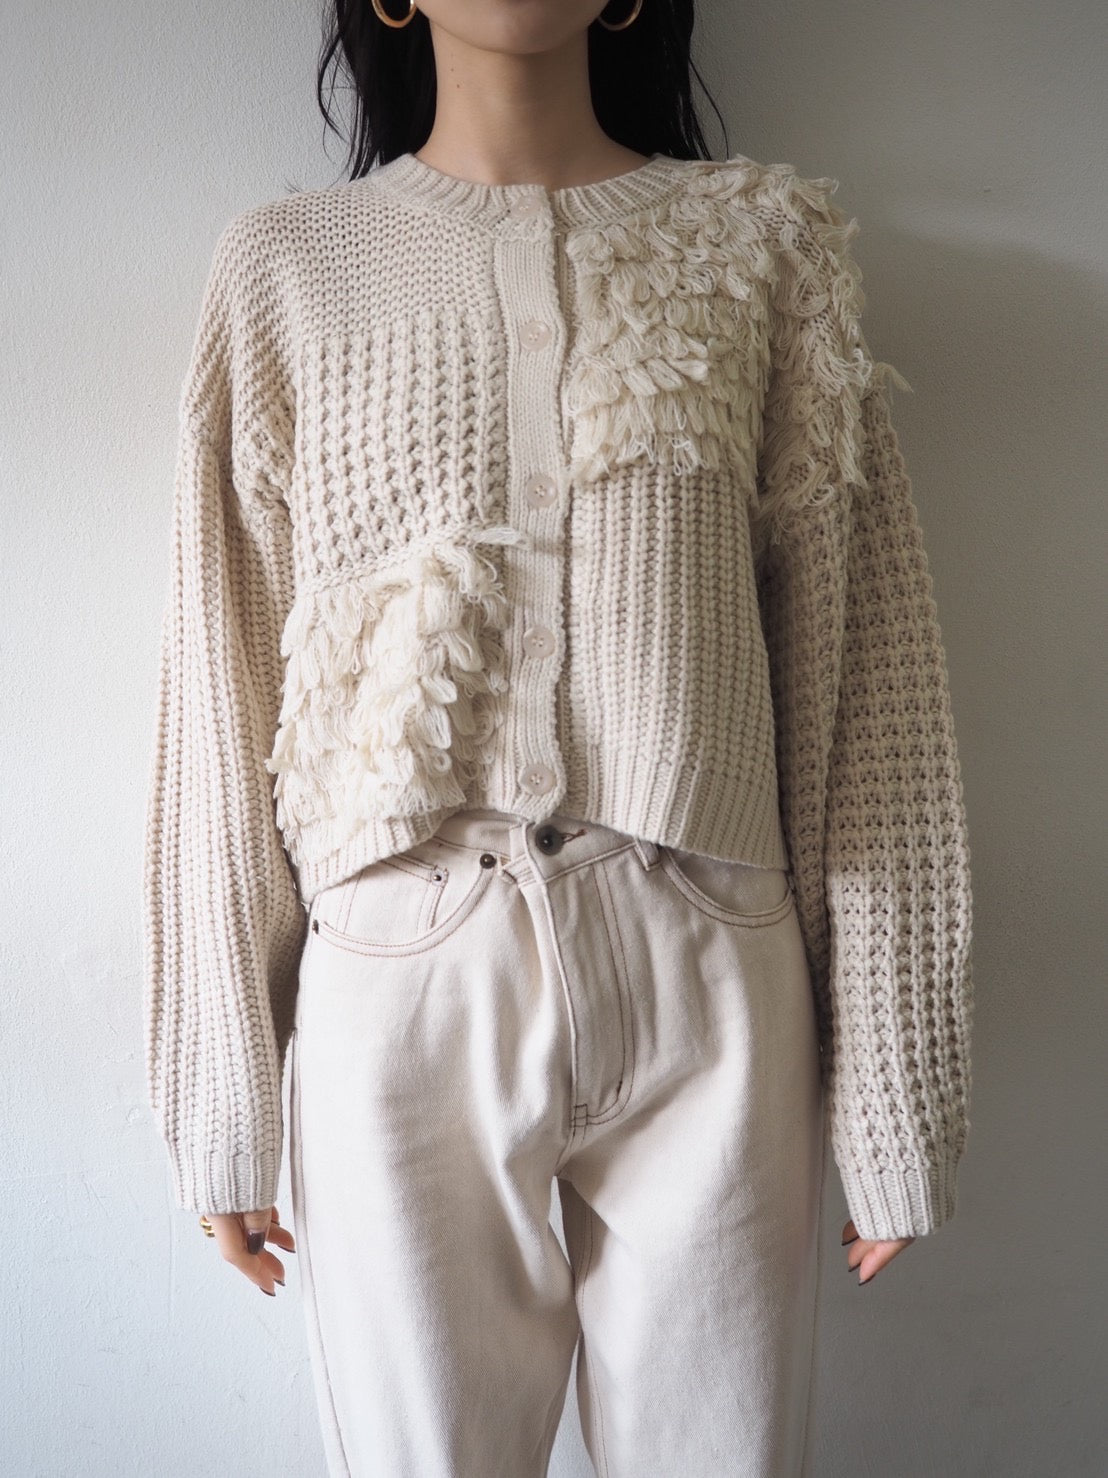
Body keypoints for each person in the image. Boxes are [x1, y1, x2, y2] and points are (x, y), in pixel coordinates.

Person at [141, 1, 975, 1473]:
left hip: (708, 957)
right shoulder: (288, 268)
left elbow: (866, 675)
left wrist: (896, 1080)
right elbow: (221, 680)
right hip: (402, 969)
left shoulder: (764, 246)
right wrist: (224, 1093)